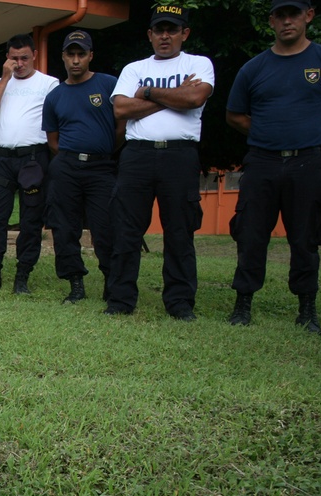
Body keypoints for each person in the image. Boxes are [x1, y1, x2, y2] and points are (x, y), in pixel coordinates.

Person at [105, 5, 214, 320]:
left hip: (180, 156)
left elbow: (195, 99)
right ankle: (120, 300)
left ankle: (179, 303)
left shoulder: (199, 64)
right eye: (159, 30)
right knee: (126, 229)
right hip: (137, 155)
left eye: (172, 30)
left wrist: (150, 93)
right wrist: (175, 95)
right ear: (150, 34)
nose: (165, 36)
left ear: (184, 33)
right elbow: (121, 109)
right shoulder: (134, 68)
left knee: (179, 230)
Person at [224, 0, 321, 333]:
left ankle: (307, 309)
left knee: (305, 236)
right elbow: (234, 115)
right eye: (280, 15)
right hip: (262, 161)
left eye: (293, 13)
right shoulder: (253, 68)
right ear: (271, 21)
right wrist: (267, 132)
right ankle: (243, 304)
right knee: (251, 234)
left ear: (308, 16)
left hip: (309, 161)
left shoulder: (320, 59)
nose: (287, 21)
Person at [41, 30, 123, 304]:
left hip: (102, 168)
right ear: (63, 57)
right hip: (66, 167)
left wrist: (101, 151)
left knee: (106, 226)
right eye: (70, 54)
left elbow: (121, 126)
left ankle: (112, 284)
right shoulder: (54, 96)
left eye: (81, 54)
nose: (76, 60)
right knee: (64, 227)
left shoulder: (108, 84)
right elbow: (53, 140)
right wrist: (72, 157)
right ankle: (75, 284)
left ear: (90, 56)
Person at [0, 34, 59, 295]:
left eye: (24, 58)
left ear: (34, 55)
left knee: (31, 219)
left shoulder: (49, 84)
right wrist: (5, 78)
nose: (20, 63)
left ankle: (22, 275)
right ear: (7, 58)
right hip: (2, 159)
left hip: (34, 158)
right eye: (14, 58)